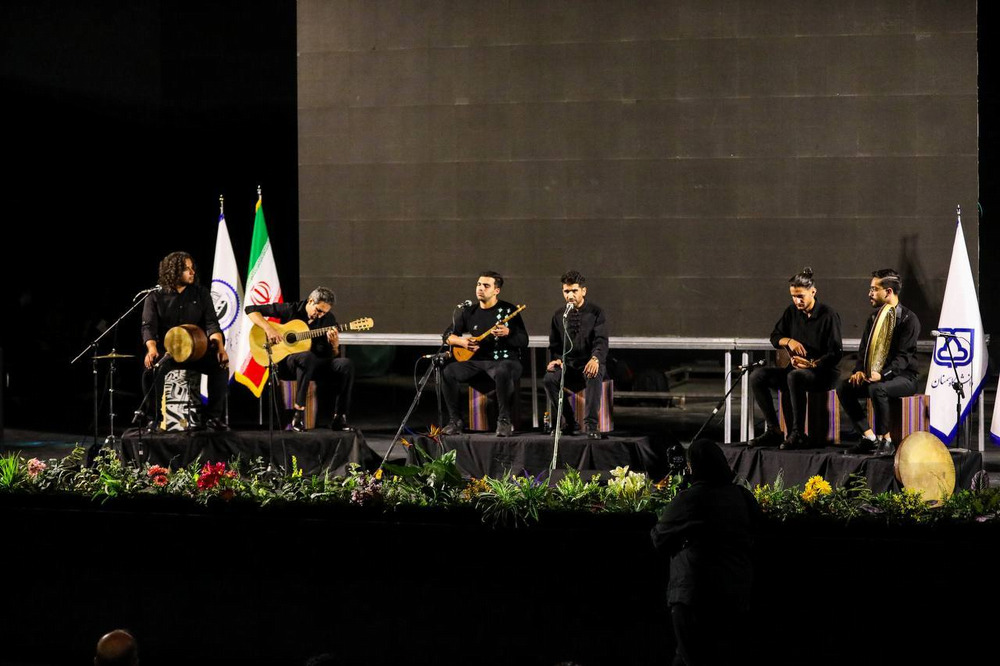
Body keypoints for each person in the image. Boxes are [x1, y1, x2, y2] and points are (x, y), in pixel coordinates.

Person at [651, 439, 763, 666]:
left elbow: (659, 537)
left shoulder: (690, 498)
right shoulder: (742, 496)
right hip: (735, 593)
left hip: (694, 596)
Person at [748, 268, 843, 450]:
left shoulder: (828, 315)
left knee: (794, 376)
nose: (797, 301)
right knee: (757, 376)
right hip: (797, 371)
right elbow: (775, 337)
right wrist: (789, 341)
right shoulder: (792, 312)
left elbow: (835, 353)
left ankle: (798, 433)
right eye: (793, 296)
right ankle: (774, 430)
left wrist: (812, 364)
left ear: (813, 292)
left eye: (801, 296)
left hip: (823, 372)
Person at [245, 287, 354, 431]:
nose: (320, 315)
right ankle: (298, 413)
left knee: (346, 364)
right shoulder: (292, 309)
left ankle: (339, 417)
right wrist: (269, 329)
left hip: (313, 365)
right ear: (311, 301)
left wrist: (334, 346)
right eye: (319, 310)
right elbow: (251, 309)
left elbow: (329, 356)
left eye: (324, 312)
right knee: (306, 356)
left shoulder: (328, 320)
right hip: (287, 364)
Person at [141, 251, 229, 430]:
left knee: (220, 367)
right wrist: (151, 349)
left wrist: (220, 347)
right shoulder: (155, 295)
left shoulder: (200, 293)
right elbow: (148, 326)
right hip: (169, 353)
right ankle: (154, 418)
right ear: (173, 271)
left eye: (192, 268)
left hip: (197, 351)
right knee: (150, 371)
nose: (192, 272)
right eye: (187, 269)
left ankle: (212, 417)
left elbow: (212, 323)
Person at [837, 269, 920, 455]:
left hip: (905, 378)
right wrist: (859, 371)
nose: (870, 293)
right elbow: (864, 351)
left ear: (888, 291)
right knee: (844, 387)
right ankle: (869, 438)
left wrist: (881, 375)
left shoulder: (909, 319)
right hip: (875, 376)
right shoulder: (873, 318)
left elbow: (903, 358)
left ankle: (887, 440)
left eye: (874, 289)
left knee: (877, 388)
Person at [441, 271, 528, 437]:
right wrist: (463, 342)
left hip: (506, 361)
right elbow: (447, 335)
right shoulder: (470, 312)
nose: (480, 288)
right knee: (448, 372)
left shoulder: (509, 310)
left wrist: (508, 333)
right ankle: (455, 421)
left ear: (496, 290)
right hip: (479, 362)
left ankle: (504, 420)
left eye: (486, 286)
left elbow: (524, 341)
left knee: (502, 370)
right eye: (479, 284)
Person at [543, 270, 609, 439]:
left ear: (583, 291)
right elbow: (555, 345)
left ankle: (591, 425)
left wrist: (595, 359)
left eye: (574, 291)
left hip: (589, 361)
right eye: (566, 291)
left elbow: (601, 340)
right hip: (568, 364)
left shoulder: (596, 312)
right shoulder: (559, 315)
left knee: (593, 373)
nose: (570, 295)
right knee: (549, 379)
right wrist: (557, 360)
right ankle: (570, 422)